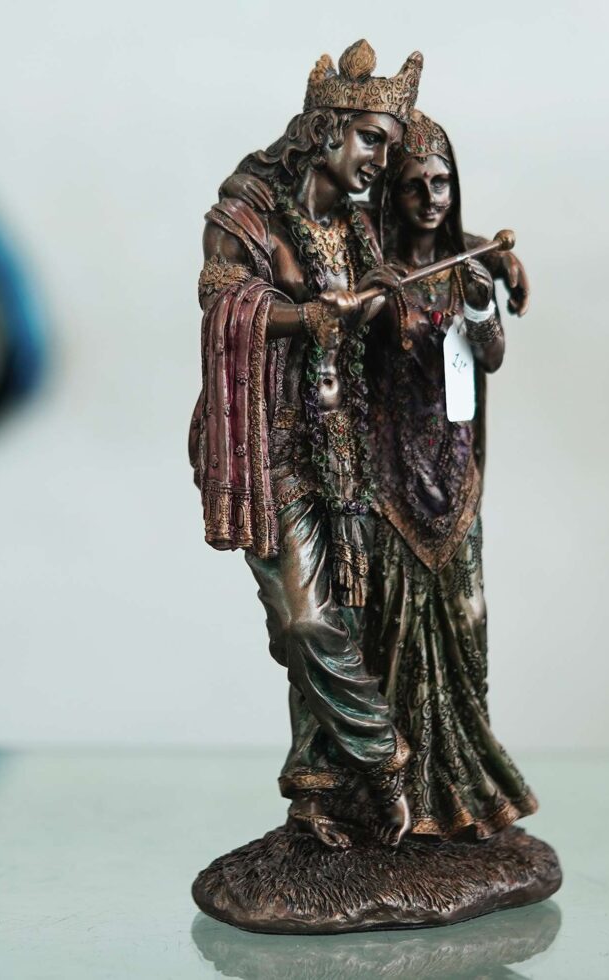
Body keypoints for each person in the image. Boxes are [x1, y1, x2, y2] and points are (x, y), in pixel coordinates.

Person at [189, 40, 423, 848]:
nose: (380, 161)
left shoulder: (358, 227)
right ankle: (386, 759)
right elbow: (222, 304)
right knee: (302, 621)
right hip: (270, 444)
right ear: (326, 128)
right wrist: (305, 317)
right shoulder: (247, 210)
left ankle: (317, 795)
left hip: (343, 445)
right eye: (371, 140)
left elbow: (400, 279)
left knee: (339, 625)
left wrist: (385, 296)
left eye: (389, 146)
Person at [361, 110, 539, 838]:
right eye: (414, 186)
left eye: (441, 183)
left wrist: (479, 298)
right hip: (390, 482)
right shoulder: (375, 270)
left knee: (466, 628)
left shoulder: (469, 266)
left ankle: (465, 793)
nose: (430, 198)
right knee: (391, 639)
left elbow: (490, 355)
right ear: (393, 194)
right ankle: (395, 794)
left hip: (456, 480)